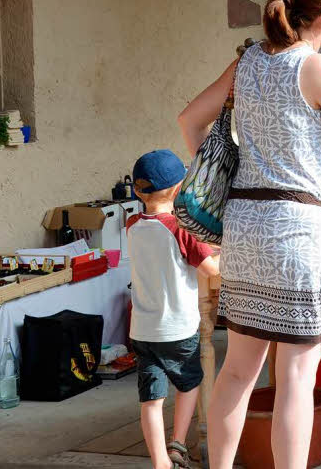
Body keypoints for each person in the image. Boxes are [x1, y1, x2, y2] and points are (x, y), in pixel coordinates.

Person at [178, 0, 321, 469]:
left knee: (237, 371)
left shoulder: (248, 60)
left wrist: (225, 174)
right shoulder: (317, 68)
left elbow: (189, 120)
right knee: (296, 377)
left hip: (246, 227)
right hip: (298, 230)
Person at [126, 149, 220, 469]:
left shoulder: (132, 226)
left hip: (142, 329)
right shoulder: (181, 229)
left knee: (151, 400)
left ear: (138, 191)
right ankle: (178, 442)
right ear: (180, 190)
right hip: (178, 329)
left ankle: (160, 463)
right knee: (189, 383)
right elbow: (211, 269)